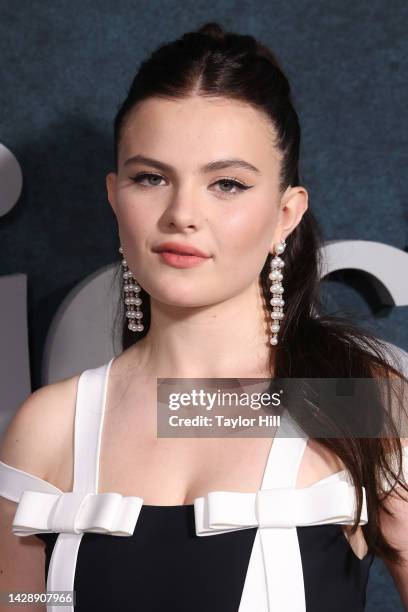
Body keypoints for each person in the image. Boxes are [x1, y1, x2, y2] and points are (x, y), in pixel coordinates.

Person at [1, 20, 408, 612]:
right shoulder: (50, 426)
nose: (182, 213)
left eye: (227, 183)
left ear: (286, 213)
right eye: (151, 178)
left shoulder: (361, 403)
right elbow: (16, 597)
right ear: (115, 197)